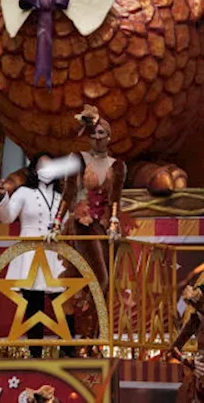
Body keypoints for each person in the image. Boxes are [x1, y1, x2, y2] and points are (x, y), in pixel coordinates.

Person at [53, 107, 126, 344]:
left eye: (101, 133)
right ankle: (86, 338)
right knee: (99, 279)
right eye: (93, 134)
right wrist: (56, 223)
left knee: (102, 286)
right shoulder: (79, 159)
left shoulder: (118, 166)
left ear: (109, 137)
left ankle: (94, 339)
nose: (97, 138)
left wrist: (114, 223)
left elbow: (114, 199)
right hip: (82, 224)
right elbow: (69, 193)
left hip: (104, 227)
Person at [0, 151, 70, 356]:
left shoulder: (62, 197)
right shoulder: (24, 193)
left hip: (56, 252)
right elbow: (7, 218)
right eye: (41, 167)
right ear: (34, 170)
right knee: (34, 303)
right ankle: (35, 352)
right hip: (30, 253)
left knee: (63, 300)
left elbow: (68, 223)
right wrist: (2, 196)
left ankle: (68, 349)